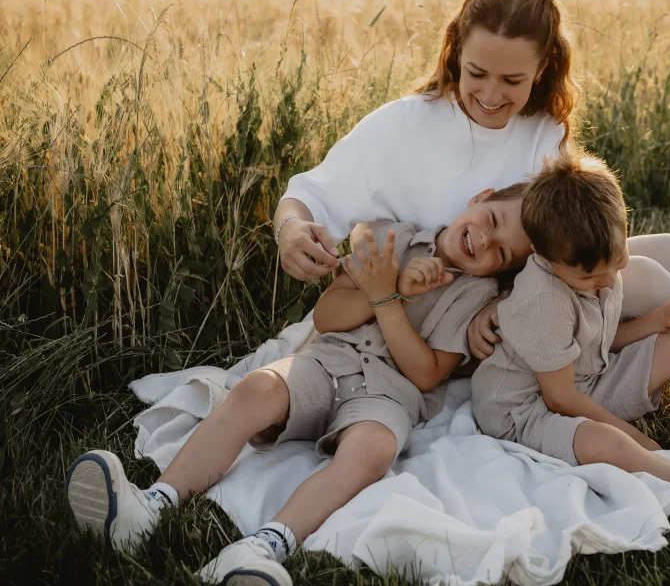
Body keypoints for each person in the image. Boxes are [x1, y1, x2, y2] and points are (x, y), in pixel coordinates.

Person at [271, 0, 670, 405]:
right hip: (457, 329)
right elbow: (305, 197)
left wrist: (501, 302)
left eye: (512, 79)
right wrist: (291, 230)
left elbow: (561, 241)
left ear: (542, 69)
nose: (491, 95)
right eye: (477, 72)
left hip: (516, 303)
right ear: (456, 51)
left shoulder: (542, 130)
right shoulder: (401, 125)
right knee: (639, 272)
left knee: (659, 247)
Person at [65, 187, 533, 585]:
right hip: (327, 361)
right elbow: (328, 316)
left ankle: (263, 547)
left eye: (502, 252)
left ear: (505, 270)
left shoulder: (479, 296)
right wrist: (384, 289)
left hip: (389, 396)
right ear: (481, 198)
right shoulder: (395, 238)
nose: (485, 240)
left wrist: (393, 301)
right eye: (492, 220)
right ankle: (151, 506)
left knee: (373, 450)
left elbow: (427, 374)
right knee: (256, 389)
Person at [471, 153, 670, 519]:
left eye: (619, 262)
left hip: (582, 377)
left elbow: (595, 343)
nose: (609, 281)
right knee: (607, 440)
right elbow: (560, 398)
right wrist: (635, 439)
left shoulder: (595, 263)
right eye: (592, 279)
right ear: (543, 257)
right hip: (525, 409)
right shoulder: (543, 300)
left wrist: (658, 320)